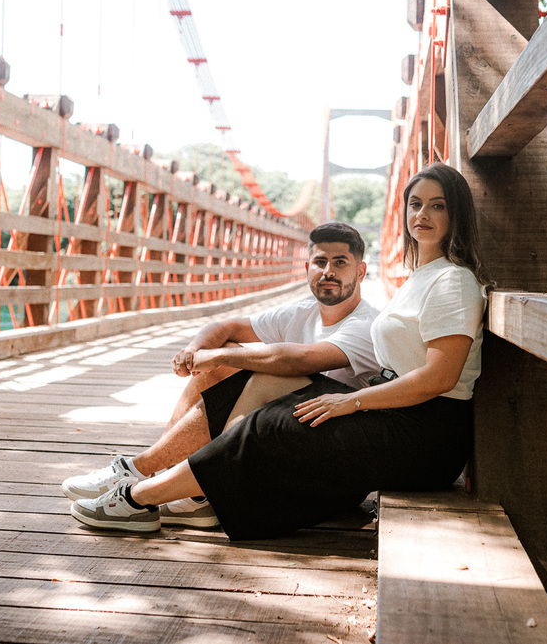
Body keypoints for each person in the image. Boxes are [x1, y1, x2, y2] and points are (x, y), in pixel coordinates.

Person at [70, 163, 490, 539]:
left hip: (426, 434)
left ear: (456, 214)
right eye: (415, 204)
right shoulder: (421, 277)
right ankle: (194, 493)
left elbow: (440, 378)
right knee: (269, 383)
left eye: (437, 206)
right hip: (398, 411)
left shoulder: (452, 281)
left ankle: (137, 498)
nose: (422, 215)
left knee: (272, 427)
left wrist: (352, 401)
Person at [60, 221, 381, 529]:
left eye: (340, 262)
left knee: (262, 371)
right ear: (307, 268)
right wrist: (195, 351)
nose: (328, 271)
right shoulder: (301, 313)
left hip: (325, 460)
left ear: (361, 270)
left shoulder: (367, 325)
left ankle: (138, 472)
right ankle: (187, 494)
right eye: (320, 261)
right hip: (286, 434)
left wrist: (217, 355)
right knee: (221, 361)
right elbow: (224, 327)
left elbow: (301, 360)